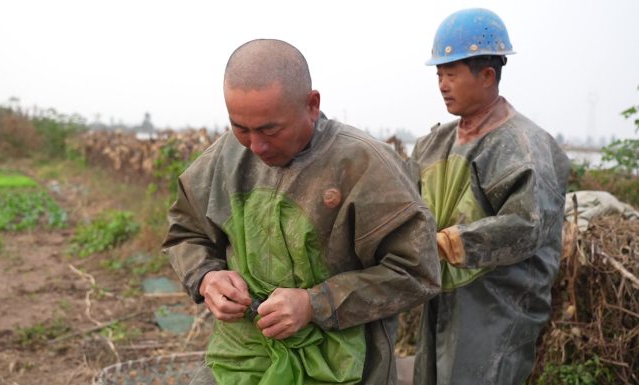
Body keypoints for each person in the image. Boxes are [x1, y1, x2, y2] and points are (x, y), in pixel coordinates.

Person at [162, 39, 441, 385]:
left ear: (311, 105)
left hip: (342, 366)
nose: (256, 146)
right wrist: (207, 277)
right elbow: (185, 232)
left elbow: (419, 272)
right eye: (240, 128)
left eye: (270, 129)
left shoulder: (365, 167)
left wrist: (315, 304)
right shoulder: (224, 159)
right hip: (241, 359)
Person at [407, 8, 571, 385]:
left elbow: (527, 225)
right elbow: (403, 202)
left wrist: (449, 243)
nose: (442, 84)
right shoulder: (436, 143)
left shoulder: (524, 146)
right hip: (443, 298)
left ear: (487, 75)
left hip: (496, 310)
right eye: (439, 74)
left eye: (451, 74)